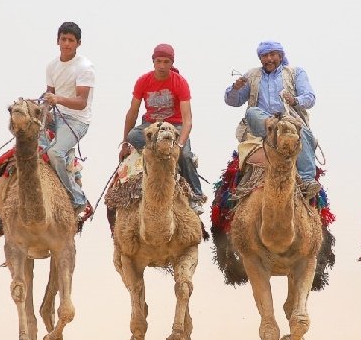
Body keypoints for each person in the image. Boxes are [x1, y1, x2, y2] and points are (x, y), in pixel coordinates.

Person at [224, 40, 321, 198]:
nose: (269, 59)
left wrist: (295, 100)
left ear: (280, 56)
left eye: (272, 55)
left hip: (289, 122)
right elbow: (232, 101)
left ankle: (307, 179)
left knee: (300, 131)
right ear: (260, 58)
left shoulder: (295, 73)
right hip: (262, 126)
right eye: (264, 55)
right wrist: (235, 89)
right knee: (252, 112)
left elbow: (310, 98)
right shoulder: (251, 75)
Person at [119, 43, 205, 215]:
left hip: (175, 126)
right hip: (151, 126)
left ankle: (195, 196)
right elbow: (132, 112)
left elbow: (187, 120)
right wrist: (125, 143)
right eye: (159, 61)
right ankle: (156, 155)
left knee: (186, 156)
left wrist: (180, 146)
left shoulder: (179, 82)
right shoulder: (143, 81)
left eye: (166, 62)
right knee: (133, 135)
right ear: (153, 61)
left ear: (172, 63)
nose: (162, 66)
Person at [39, 21, 96, 222]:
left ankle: (78, 198)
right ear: (57, 41)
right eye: (63, 39)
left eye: (71, 40)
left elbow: (81, 102)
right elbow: (50, 94)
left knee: (55, 152)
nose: (66, 43)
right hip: (56, 116)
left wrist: (57, 100)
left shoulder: (84, 68)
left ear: (78, 43)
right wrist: (41, 105)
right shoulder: (52, 66)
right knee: (28, 138)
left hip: (76, 121)